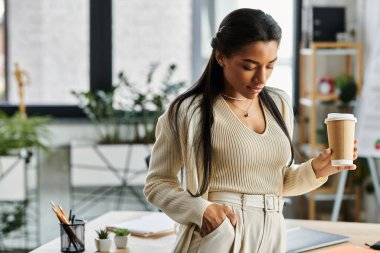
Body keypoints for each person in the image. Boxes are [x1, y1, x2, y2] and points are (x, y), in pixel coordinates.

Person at [144, 8, 358, 253]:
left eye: (270, 66)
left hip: (273, 234)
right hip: (220, 234)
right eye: (249, 66)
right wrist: (203, 212)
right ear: (221, 56)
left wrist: (317, 170)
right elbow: (157, 184)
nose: (261, 78)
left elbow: (277, 182)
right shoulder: (188, 111)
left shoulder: (279, 104)